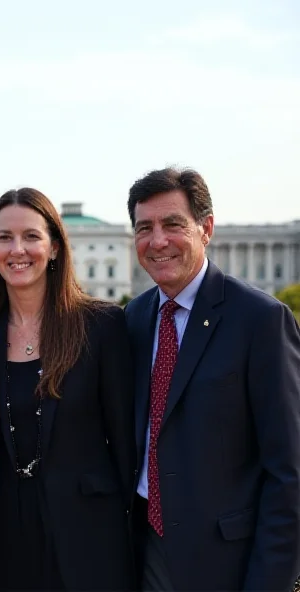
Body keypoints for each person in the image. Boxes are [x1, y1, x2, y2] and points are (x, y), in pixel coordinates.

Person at [125, 167, 300, 590]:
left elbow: (290, 472)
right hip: (144, 552)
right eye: (144, 228)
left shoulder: (260, 320)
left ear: (206, 228)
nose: (157, 241)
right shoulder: (134, 318)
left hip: (227, 562)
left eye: (172, 225)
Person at [0, 188, 136, 590]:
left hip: (89, 541)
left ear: (55, 248)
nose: (17, 249)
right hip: (2, 542)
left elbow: (127, 443)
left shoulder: (101, 326)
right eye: (4, 237)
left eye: (31, 236)